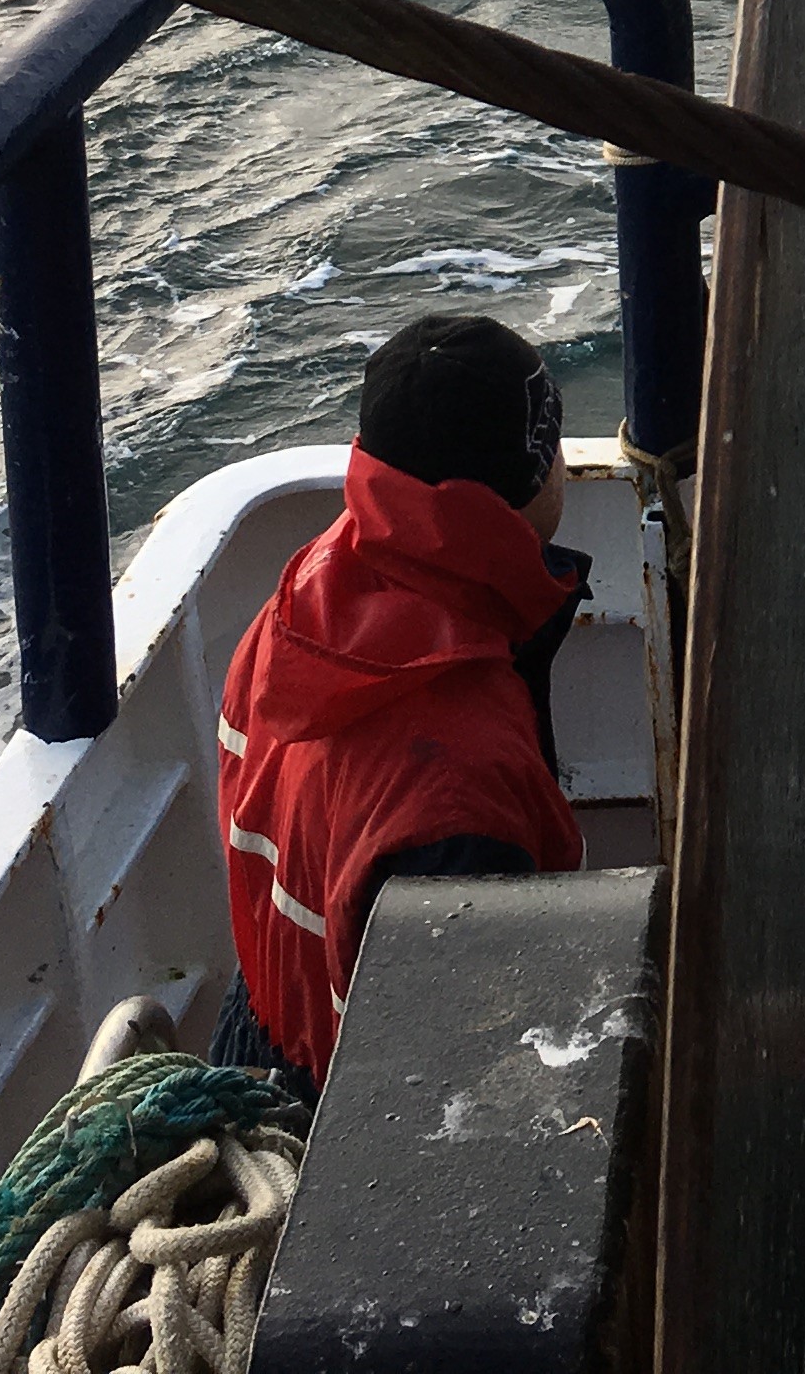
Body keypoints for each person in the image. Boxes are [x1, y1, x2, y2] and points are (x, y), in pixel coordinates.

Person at [212, 312, 588, 1089]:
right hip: (343, 1100)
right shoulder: (458, 791)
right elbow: (455, 1071)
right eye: (553, 443)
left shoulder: (307, 594)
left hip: (263, 1018)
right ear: (529, 481)